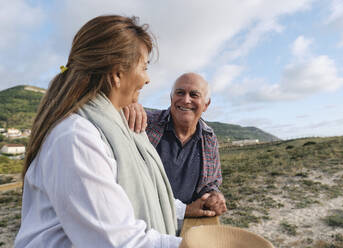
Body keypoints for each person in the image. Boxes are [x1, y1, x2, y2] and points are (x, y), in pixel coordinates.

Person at [15, 15, 182, 248]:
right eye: (144, 67)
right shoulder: (75, 137)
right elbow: (116, 241)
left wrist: (185, 210)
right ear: (116, 74)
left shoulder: (117, 125)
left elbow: (139, 191)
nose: (147, 79)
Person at [125, 73, 227, 217]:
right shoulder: (144, 122)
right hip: (144, 217)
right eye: (180, 93)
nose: (186, 100)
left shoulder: (208, 138)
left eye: (194, 95)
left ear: (206, 104)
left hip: (188, 220)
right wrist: (126, 105)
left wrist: (214, 196)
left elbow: (210, 183)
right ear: (171, 98)